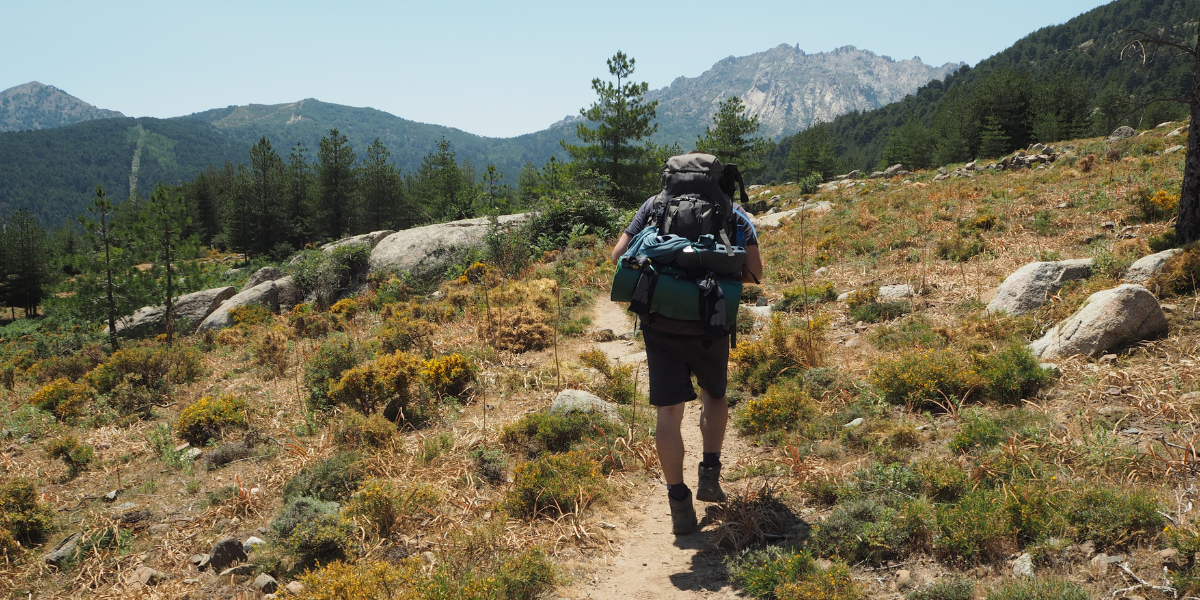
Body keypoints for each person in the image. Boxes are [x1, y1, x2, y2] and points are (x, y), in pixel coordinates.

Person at [609, 188, 763, 535]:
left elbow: (619, 255)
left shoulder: (653, 204)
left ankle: (678, 504)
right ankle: (709, 474)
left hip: (660, 321)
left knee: (668, 411)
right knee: (714, 395)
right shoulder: (732, 210)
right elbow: (754, 273)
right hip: (711, 319)